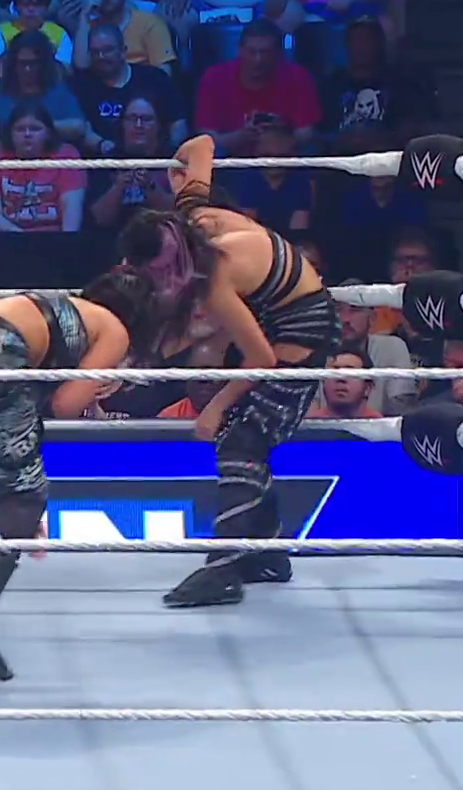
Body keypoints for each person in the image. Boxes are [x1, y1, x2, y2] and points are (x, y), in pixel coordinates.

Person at [116, 134, 340, 608]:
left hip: (302, 331)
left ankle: (222, 569)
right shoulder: (191, 219)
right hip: (271, 312)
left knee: (241, 440)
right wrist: (182, 171)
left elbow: (263, 360)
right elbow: (202, 144)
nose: (162, 281)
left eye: (159, 272)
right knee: (240, 436)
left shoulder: (215, 271)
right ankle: (267, 553)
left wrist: (216, 406)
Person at [0, 267, 157, 681]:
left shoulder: (58, 306)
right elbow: (65, 405)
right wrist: (99, 383)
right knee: (27, 492)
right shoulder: (113, 328)